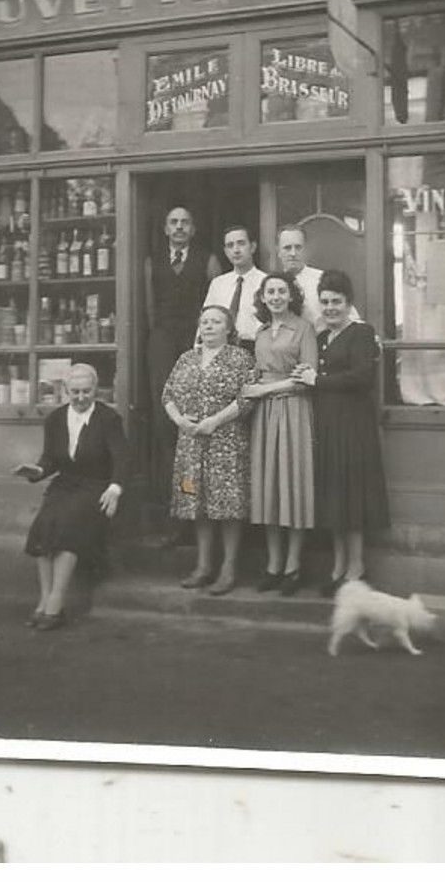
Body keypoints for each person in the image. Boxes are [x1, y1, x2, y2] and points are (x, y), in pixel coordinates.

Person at [292, 270, 389, 596]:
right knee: (334, 497)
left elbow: (362, 377)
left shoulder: (361, 333)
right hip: (327, 424)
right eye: (325, 302)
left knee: (352, 497)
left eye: (337, 301)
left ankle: (355, 568)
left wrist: (316, 380)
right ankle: (337, 566)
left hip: (353, 425)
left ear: (349, 304)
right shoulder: (319, 339)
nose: (330, 307)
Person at [15, 363, 129, 630]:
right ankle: (43, 599)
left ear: (96, 390)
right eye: (75, 392)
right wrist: (37, 470)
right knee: (42, 527)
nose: (80, 398)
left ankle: (56, 602)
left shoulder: (108, 419)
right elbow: (51, 459)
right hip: (64, 484)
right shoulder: (55, 419)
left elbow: (122, 458)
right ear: (66, 390)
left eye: (86, 392)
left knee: (68, 527)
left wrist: (115, 488)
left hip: (94, 486)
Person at [162, 305, 257, 595]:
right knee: (197, 502)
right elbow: (167, 394)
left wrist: (214, 421)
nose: (209, 327)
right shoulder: (186, 358)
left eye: (216, 322)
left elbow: (247, 398)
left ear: (228, 328)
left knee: (227, 505)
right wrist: (180, 419)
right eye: (204, 322)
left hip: (226, 441)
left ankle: (228, 568)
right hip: (191, 442)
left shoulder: (240, 358)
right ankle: (203, 566)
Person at [144, 205, 220, 533]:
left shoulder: (208, 260)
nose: (179, 227)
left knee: (195, 426)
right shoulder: (152, 263)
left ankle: (198, 512)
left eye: (185, 222)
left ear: (193, 229)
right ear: (165, 229)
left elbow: (216, 307)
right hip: (162, 342)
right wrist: (159, 339)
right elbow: (148, 309)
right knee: (167, 426)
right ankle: (176, 512)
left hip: (196, 342)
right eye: (173, 222)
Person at [242, 272, 317, 596]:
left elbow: (305, 378)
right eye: (269, 291)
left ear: (291, 296)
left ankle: (293, 566)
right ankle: (273, 565)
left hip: (294, 410)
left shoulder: (304, 329)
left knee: (294, 486)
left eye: (281, 291)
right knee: (269, 487)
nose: (275, 297)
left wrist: (264, 390)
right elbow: (255, 374)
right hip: (265, 415)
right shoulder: (259, 332)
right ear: (263, 297)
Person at [276, 224, 361, 332]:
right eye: (287, 248)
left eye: (298, 247)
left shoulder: (323, 280)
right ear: (278, 251)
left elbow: (351, 318)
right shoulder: (273, 286)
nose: (293, 253)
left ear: (305, 249)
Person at [202, 224, 267, 353]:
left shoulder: (266, 283)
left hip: (255, 348)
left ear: (252, 247)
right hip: (220, 349)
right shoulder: (218, 284)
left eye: (241, 244)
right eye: (230, 246)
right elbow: (205, 319)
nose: (236, 250)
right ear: (226, 251)